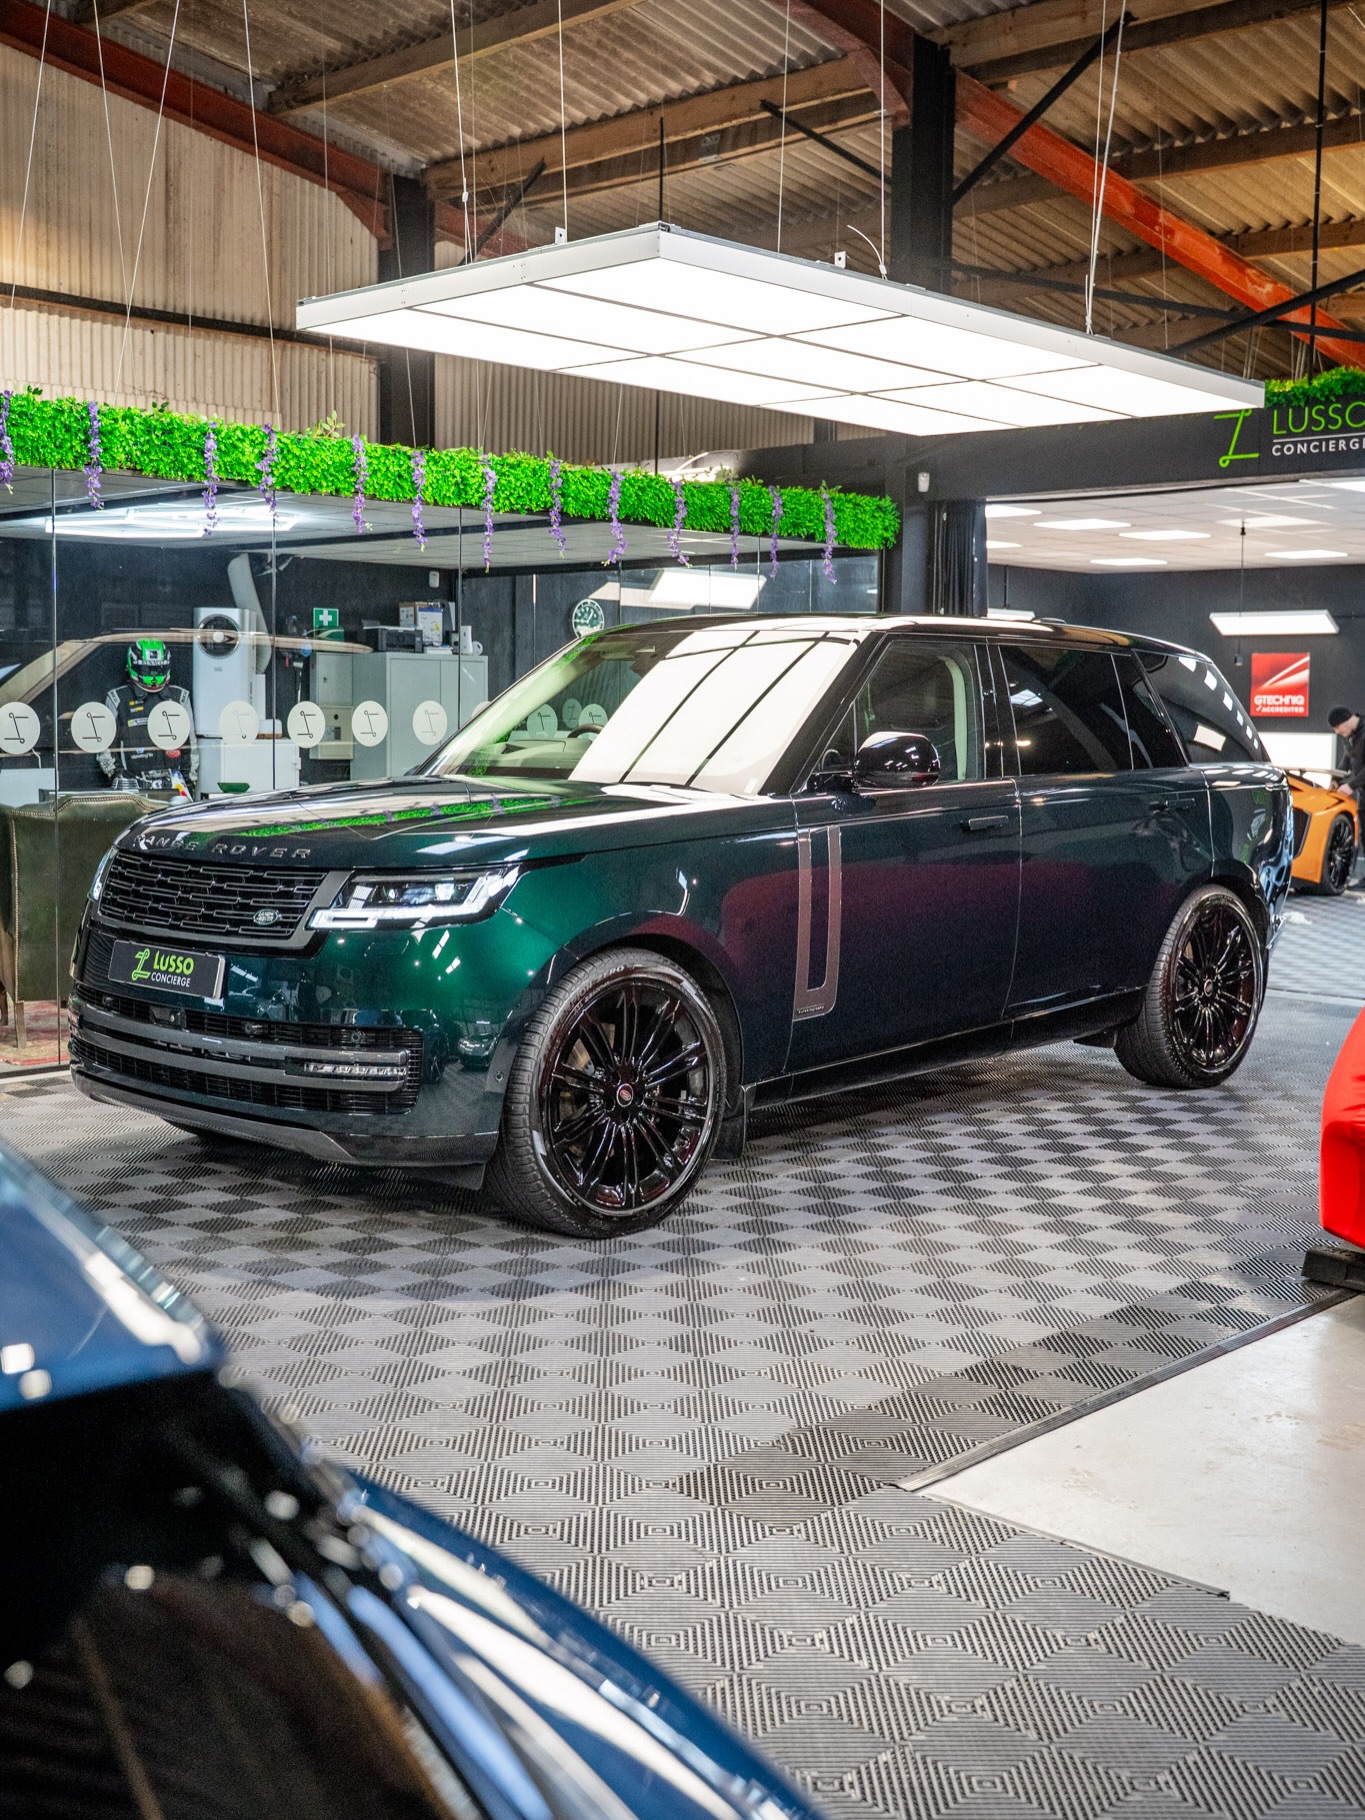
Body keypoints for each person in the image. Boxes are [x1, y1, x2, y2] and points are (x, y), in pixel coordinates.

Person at [98, 639, 198, 796]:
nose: (153, 674)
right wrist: (117, 775)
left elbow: (190, 745)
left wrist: (188, 781)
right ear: (134, 665)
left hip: (173, 783)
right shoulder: (117, 698)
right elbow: (106, 746)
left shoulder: (180, 697)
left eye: (158, 668)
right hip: (131, 783)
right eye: (147, 669)